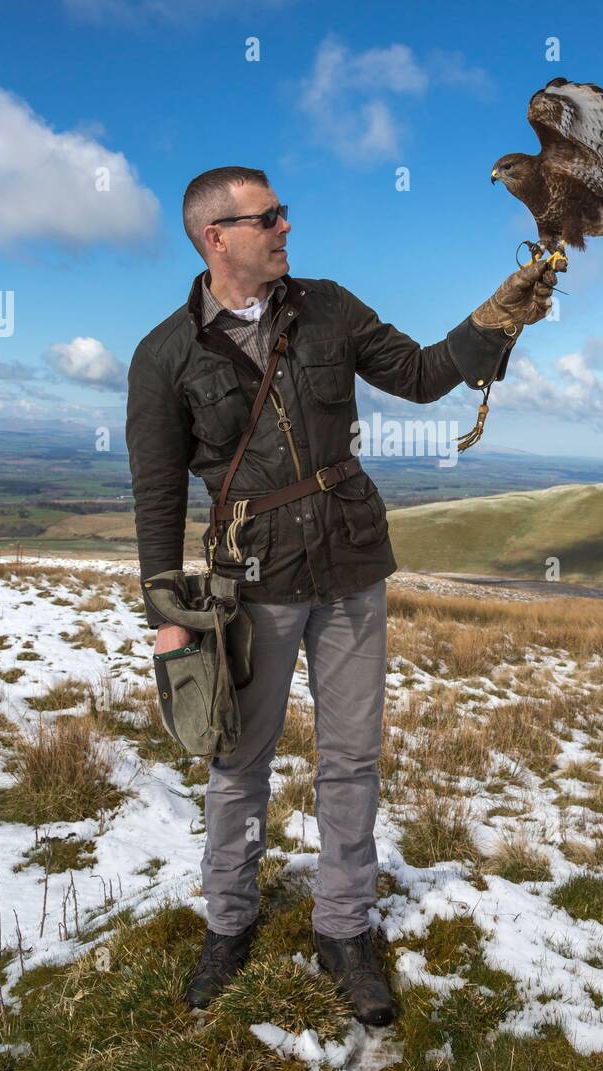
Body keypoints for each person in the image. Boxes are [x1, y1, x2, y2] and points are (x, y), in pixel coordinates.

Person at [125, 165, 557, 1026]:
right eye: (269, 217)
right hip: (250, 584)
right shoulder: (164, 355)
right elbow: (158, 494)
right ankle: (230, 922)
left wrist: (495, 318)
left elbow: (428, 373)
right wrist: (168, 619)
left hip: (353, 563)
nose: (287, 227)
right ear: (217, 236)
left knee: (352, 759)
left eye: (285, 212)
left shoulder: (329, 306)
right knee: (239, 764)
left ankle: (344, 928)